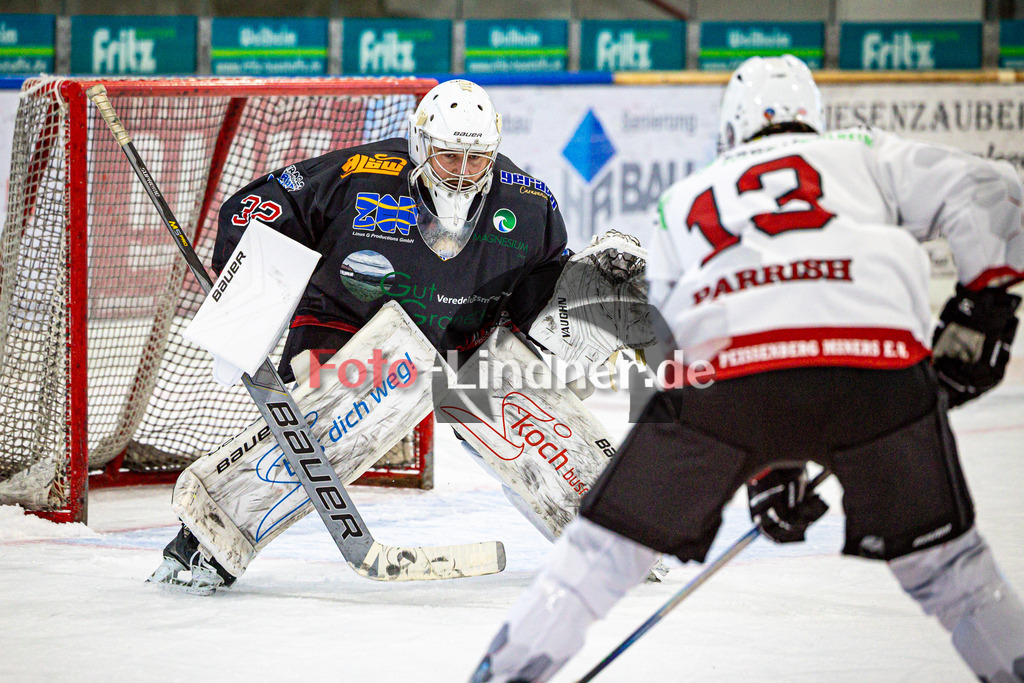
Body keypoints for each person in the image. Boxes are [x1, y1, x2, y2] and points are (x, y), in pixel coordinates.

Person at [471, 55, 1024, 682]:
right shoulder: (866, 153)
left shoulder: (683, 199)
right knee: (956, 575)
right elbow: (996, 191)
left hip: (727, 386)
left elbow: (679, 342)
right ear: (814, 118)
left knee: (593, 561)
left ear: (730, 130)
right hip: (878, 372)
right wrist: (984, 312)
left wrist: (769, 462)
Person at [155, 79, 575, 589]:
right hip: (343, 323)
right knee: (329, 426)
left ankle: (607, 532)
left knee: (527, 411)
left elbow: (544, 292)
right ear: (422, 145)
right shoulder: (358, 174)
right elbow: (253, 210)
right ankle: (204, 540)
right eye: (449, 157)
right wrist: (247, 294)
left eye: (476, 159)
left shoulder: (529, 202)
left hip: (459, 341)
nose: (464, 174)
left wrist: (587, 299)